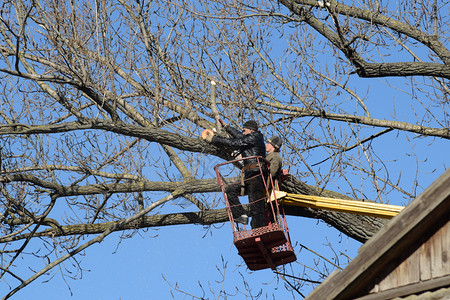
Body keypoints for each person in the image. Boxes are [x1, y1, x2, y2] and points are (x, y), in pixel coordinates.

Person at [202, 120, 267, 229]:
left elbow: (235, 143)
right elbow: (239, 137)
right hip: (249, 175)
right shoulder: (251, 137)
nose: (242, 132)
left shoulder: (255, 137)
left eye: (244, 130)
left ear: (251, 130)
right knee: (230, 191)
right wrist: (227, 127)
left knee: (256, 204)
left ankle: (259, 230)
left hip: (256, 174)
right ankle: (240, 214)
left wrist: (214, 139)